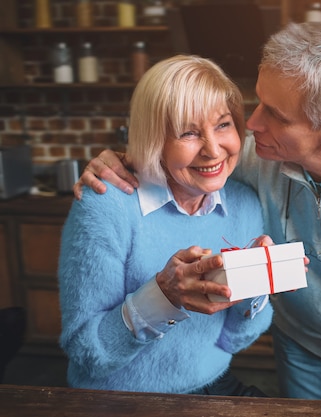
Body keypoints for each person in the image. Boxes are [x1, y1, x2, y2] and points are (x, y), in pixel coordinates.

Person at [74, 23, 321, 417]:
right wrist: (121, 160)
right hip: (299, 340)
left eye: (276, 115)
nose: (252, 123)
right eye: (257, 102)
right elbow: (185, 153)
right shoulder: (254, 156)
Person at [58, 55, 275, 396]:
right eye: (188, 132)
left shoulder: (245, 203)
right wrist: (163, 296)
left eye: (223, 124)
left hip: (211, 386)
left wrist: (255, 286)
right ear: (154, 139)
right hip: (120, 397)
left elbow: (233, 340)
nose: (213, 150)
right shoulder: (106, 203)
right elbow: (88, 354)